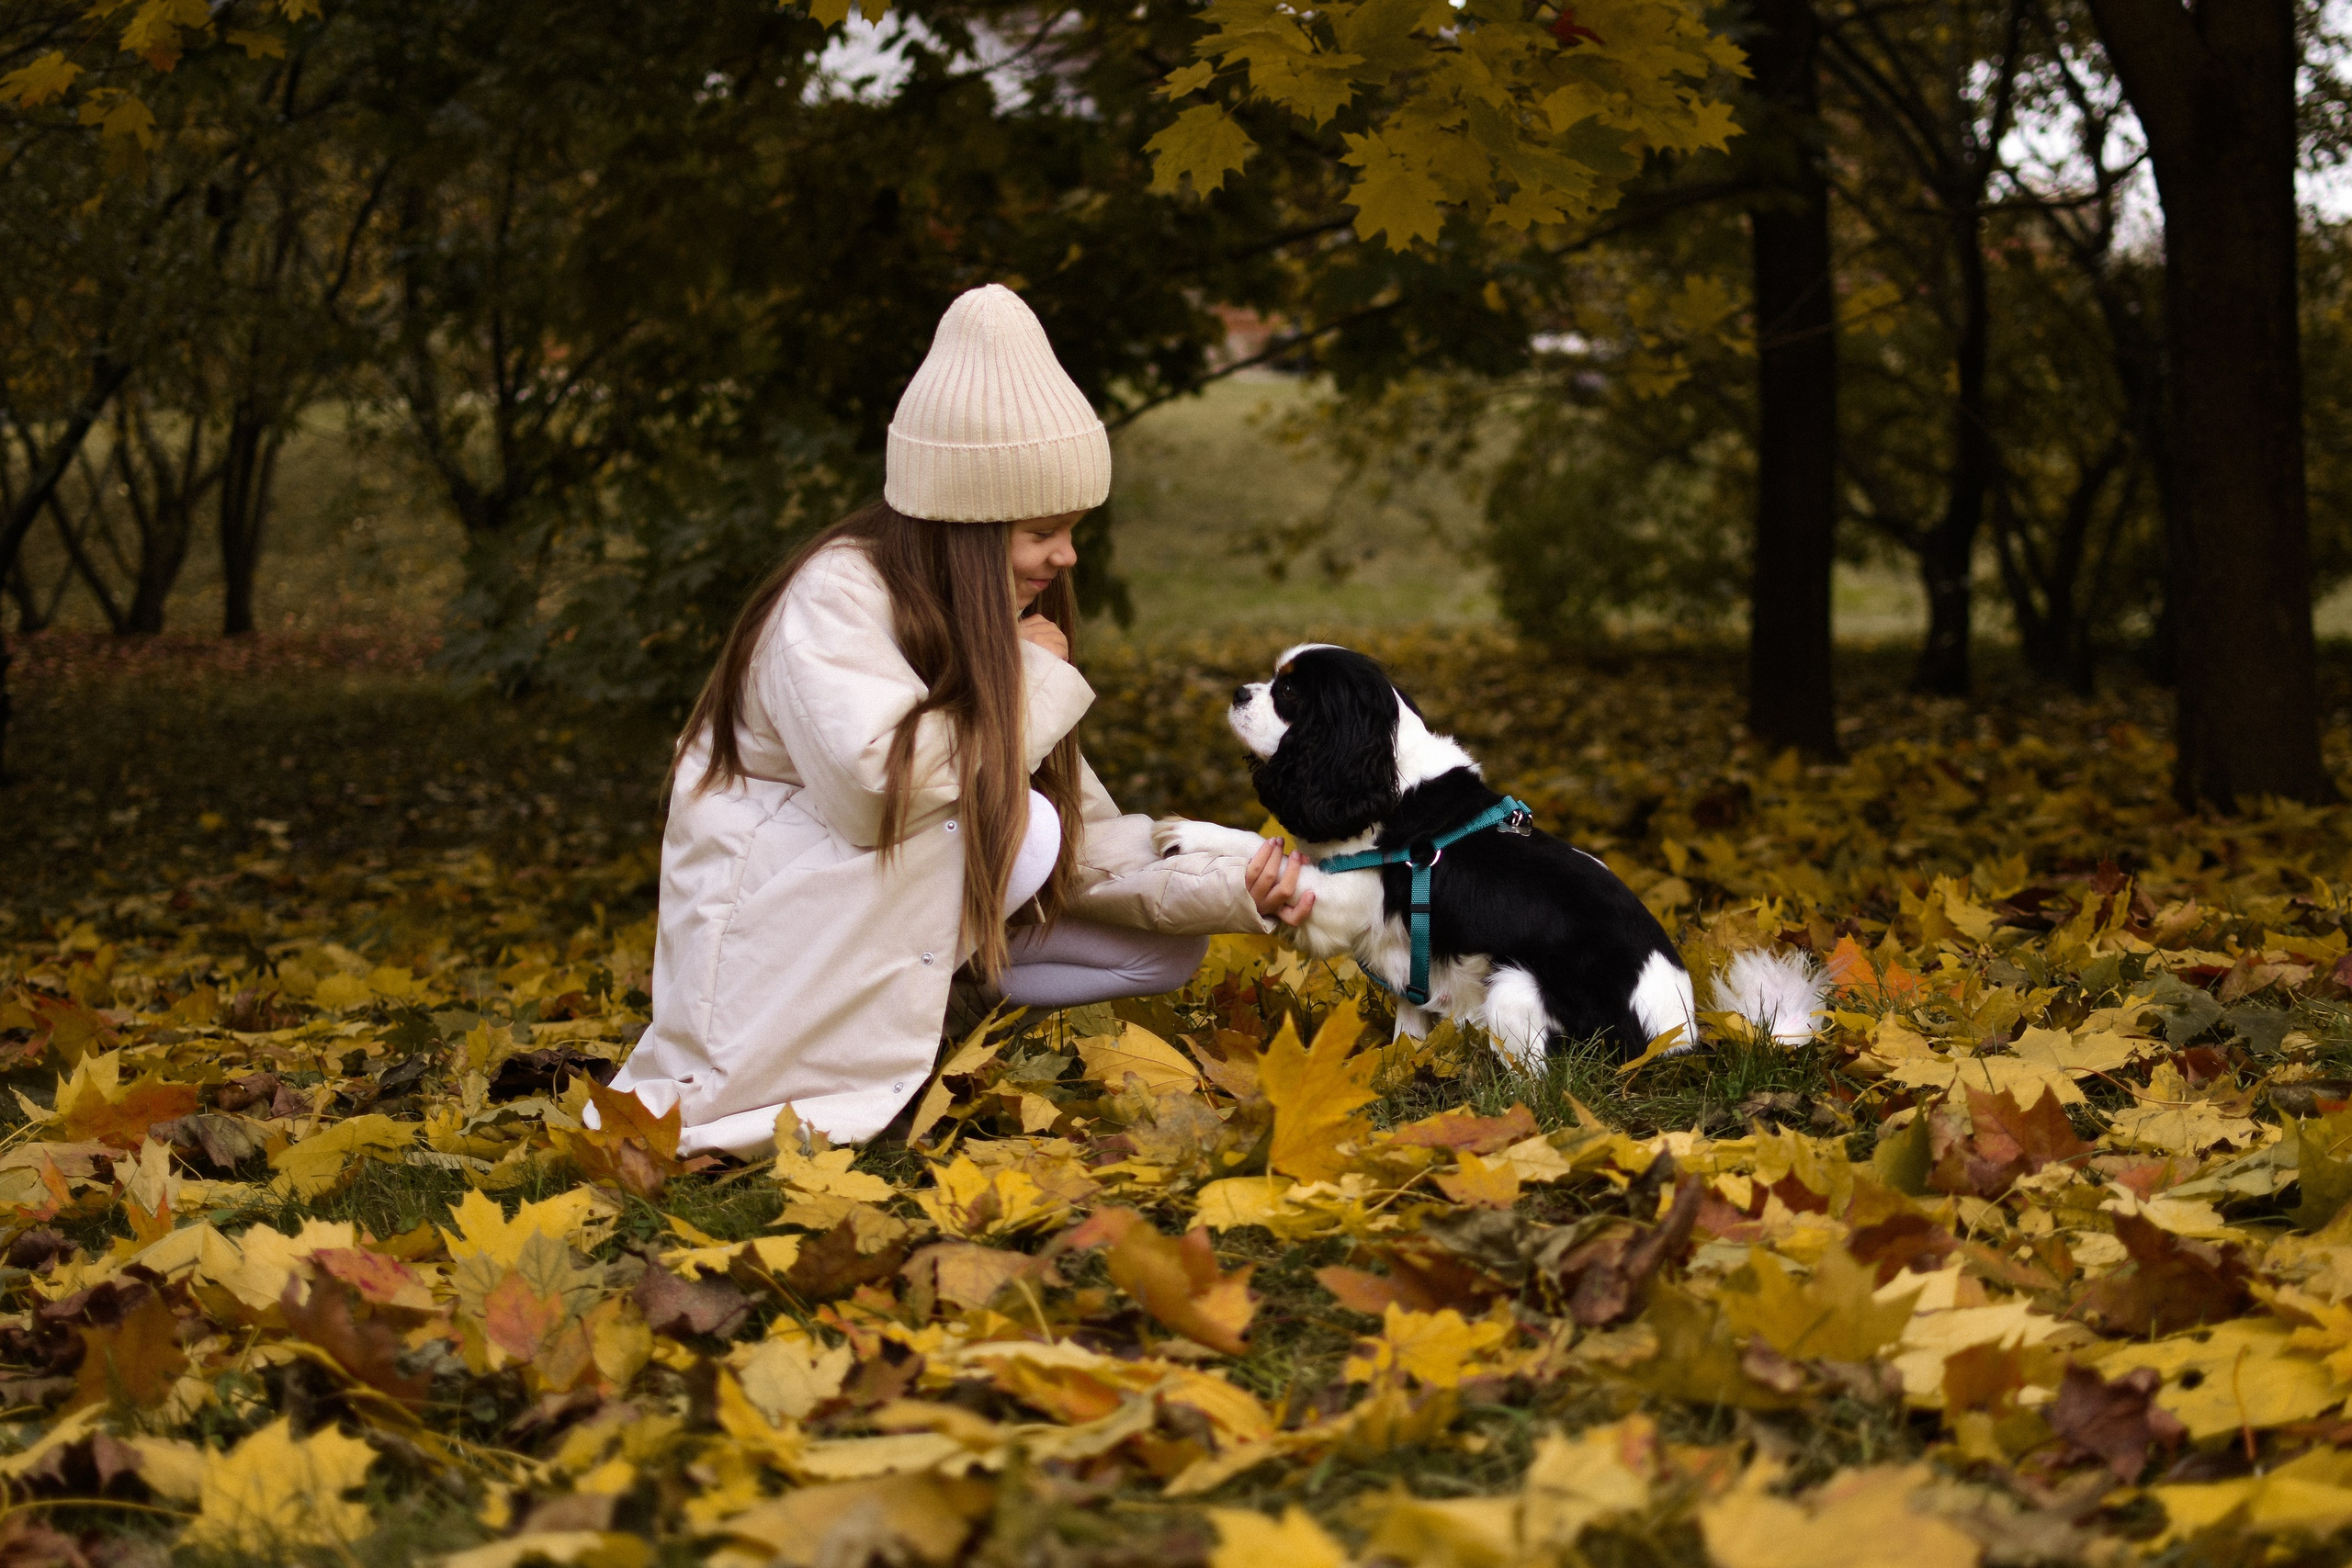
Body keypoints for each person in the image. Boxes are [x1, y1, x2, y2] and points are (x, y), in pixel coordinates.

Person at [602, 285, 1314, 1156]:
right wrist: (1024, 684)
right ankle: (873, 1035)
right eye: (1043, 531)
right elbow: (876, 791)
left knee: (1162, 950)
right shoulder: (835, 594)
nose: (1067, 555)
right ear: (967, 526)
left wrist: (1235, 885)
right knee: (1020, 820)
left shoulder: (995, 622)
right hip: (781, 931)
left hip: (889, 905)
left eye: (1073, 528)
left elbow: (1081, 840)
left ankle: (934, 1006)